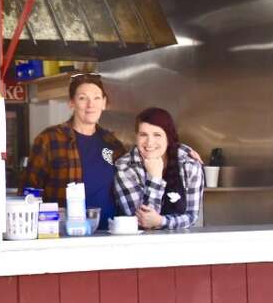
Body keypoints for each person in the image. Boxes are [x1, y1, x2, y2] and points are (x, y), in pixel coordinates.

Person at [19, 73, 125, 226]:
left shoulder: (112, 143)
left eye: (96, 98)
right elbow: (29, 190)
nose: (90, 105)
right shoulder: (50, 139)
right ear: (71, 103)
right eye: (83, 98)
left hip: (108, 233)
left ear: (104, 103)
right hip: (64, 234)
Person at [113, 107, 204, 230]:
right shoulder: (124, 168)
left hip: (181, 243)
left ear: (168, 138)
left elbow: (191, 217)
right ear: (136, 137)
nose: (150, 142)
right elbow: (141, 222)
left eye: (157, 135)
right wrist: (154, 177)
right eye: (143, 134)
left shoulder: (189, 164)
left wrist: (161, 221)